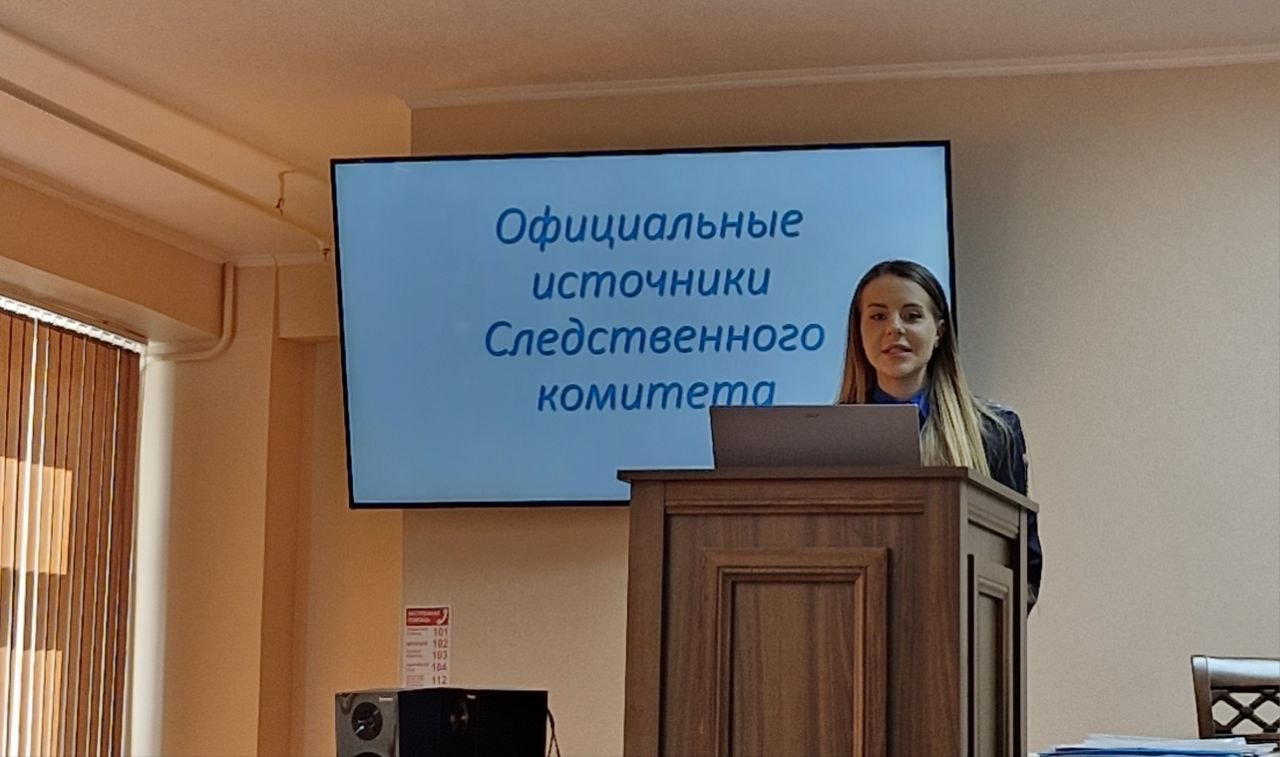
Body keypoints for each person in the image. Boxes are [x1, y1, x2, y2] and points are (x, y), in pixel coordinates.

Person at [837, 259, 1043, 609]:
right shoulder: (829, 435)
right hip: (847, 626)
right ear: (858, 331)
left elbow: (1022, 564)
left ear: (939, 332)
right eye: (878, 316)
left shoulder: (995, 431)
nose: (894, 328)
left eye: (912, 316)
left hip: (956, 628)